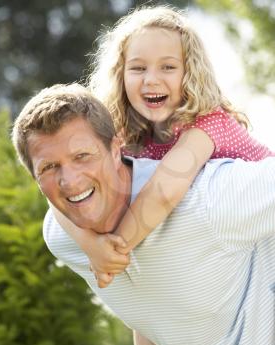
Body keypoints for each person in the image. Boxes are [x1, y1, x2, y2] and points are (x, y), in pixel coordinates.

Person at [12, 83, 275, 345]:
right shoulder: (63, 239)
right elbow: (153, 312)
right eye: (50, 167)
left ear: (116, 150)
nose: (70, 181)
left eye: (82, 156)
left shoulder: (206, 200)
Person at [52, 5, 274, 288]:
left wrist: (114, 251)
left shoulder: (207, 123)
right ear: (121, 75)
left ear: (189, 73)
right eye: (138, 68)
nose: (151, 79)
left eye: (168, 67)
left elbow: (162, 194)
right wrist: (92, 245)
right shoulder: (128, 135)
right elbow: (58, 181)